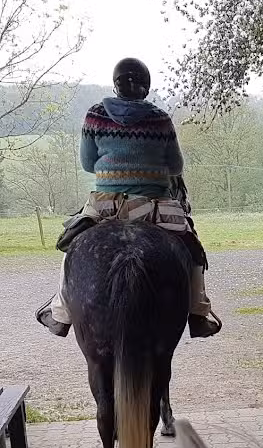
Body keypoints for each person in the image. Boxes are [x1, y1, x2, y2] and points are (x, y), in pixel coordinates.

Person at [35, 58, 221, 339]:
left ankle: (60, 313)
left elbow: (87, 163)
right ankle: (198, 313)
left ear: (116, 84)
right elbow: (176, 166)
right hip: (155, 203)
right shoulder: (160, 118)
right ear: (146, 87)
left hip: (106, 203)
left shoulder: (95, 115)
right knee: (191, 246)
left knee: (74, 244)